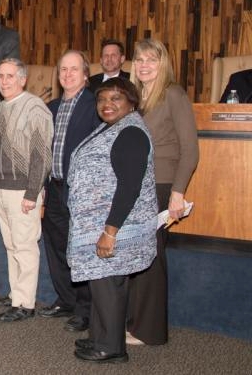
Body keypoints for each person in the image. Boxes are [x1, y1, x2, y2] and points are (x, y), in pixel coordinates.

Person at [68, 77, 158, 364]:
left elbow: (129, 187)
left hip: (114, 227)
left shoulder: (131, 132)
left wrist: (110, 232)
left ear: (132, 102)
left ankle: (112, 348)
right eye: (102, 99)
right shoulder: (112, 127)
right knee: (101, 283)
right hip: (98, 226)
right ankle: (101, 337)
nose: (107, 105)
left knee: (109, 286)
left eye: (115, 99)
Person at [127, 38, 198, 346]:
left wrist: (178, 193)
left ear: (163, 63)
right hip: (134, 185)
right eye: (140, 59)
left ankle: (150, 331)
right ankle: (134, 322)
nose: (144, 65)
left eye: (151, 60)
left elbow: (190, 150)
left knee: (151, 257)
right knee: (136, 256)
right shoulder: (134, 97)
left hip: (160, 184)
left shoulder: (173, 94)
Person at [39, 50, 101, 332]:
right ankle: (66, 299)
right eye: (63, 69)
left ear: (85, 74)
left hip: (81, 191)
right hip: (53, 188)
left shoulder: (95, 104)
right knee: (56, 248)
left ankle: (85, 309)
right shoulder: (51, 107)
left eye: (74, 69)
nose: (67, 74)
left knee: (81, 250)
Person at [0, 58, 53, 322]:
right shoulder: (3, 106)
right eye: (1, 76)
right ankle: (16, 294)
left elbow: (42, 154)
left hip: (23, 190)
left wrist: (32, 192)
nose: (4, 81)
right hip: (3, 188)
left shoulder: (35, 107)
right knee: (12, 245)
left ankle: (25, 304)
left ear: (23, 79)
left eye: (10, 76)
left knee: (25, 247)